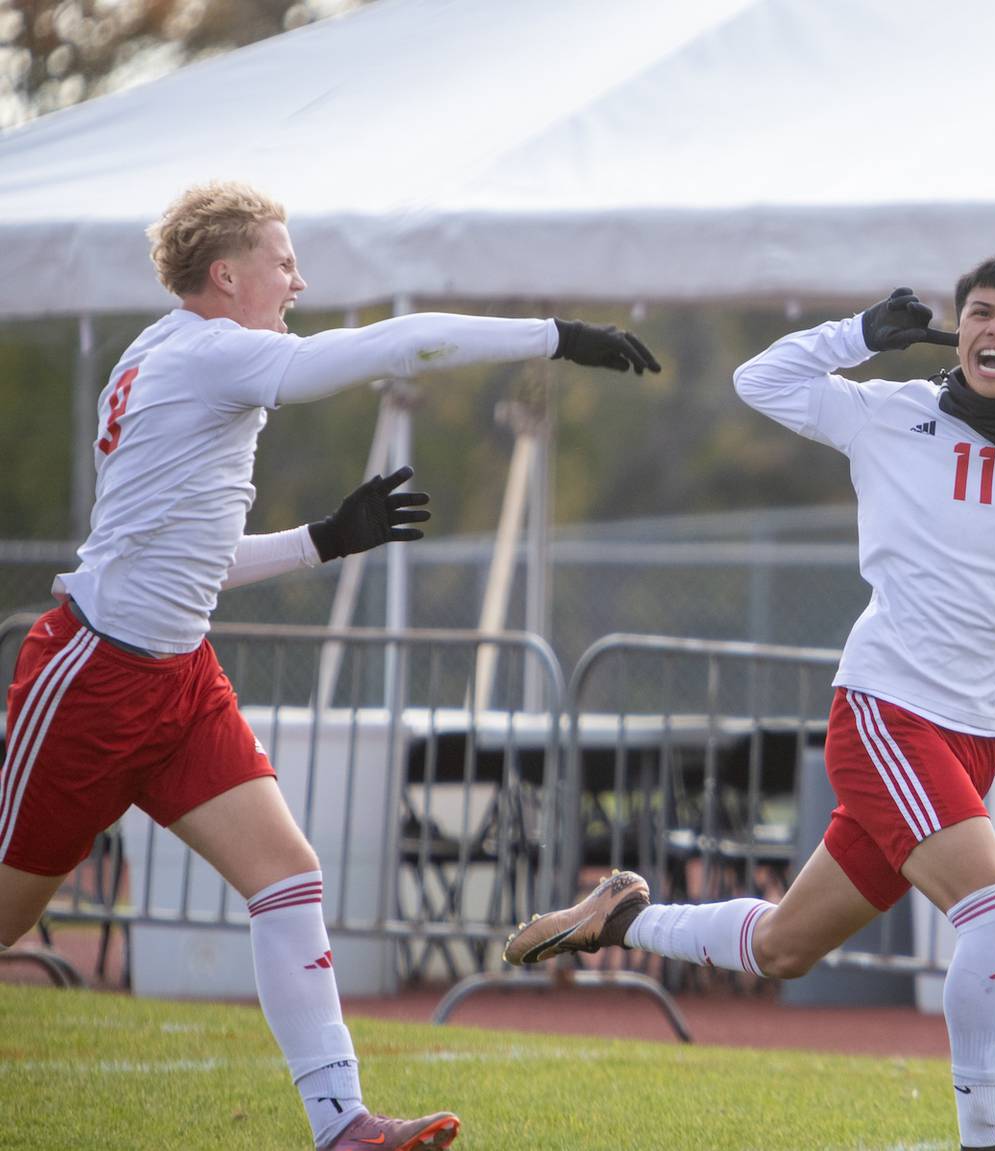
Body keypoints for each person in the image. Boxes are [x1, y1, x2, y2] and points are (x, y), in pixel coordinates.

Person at [502, 255, 995, 1150]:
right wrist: (859, 335)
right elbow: (759, 380)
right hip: (886, 710)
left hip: (975, 731)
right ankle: (984, 1141)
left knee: (786, 945)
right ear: (959, 328)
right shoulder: (886, 411)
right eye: (980, 312)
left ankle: (622, 917)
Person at [0, 180, 661, 1151]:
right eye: (284, 258)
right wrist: (550, 336)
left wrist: (321, 539)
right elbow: (394, 344)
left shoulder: (168, 355)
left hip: (177, 676)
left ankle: (341, 1122)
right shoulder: (210, 351)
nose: (299, 278)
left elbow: (191, 555)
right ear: (227, 275)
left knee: (287, 874)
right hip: (95, 673)